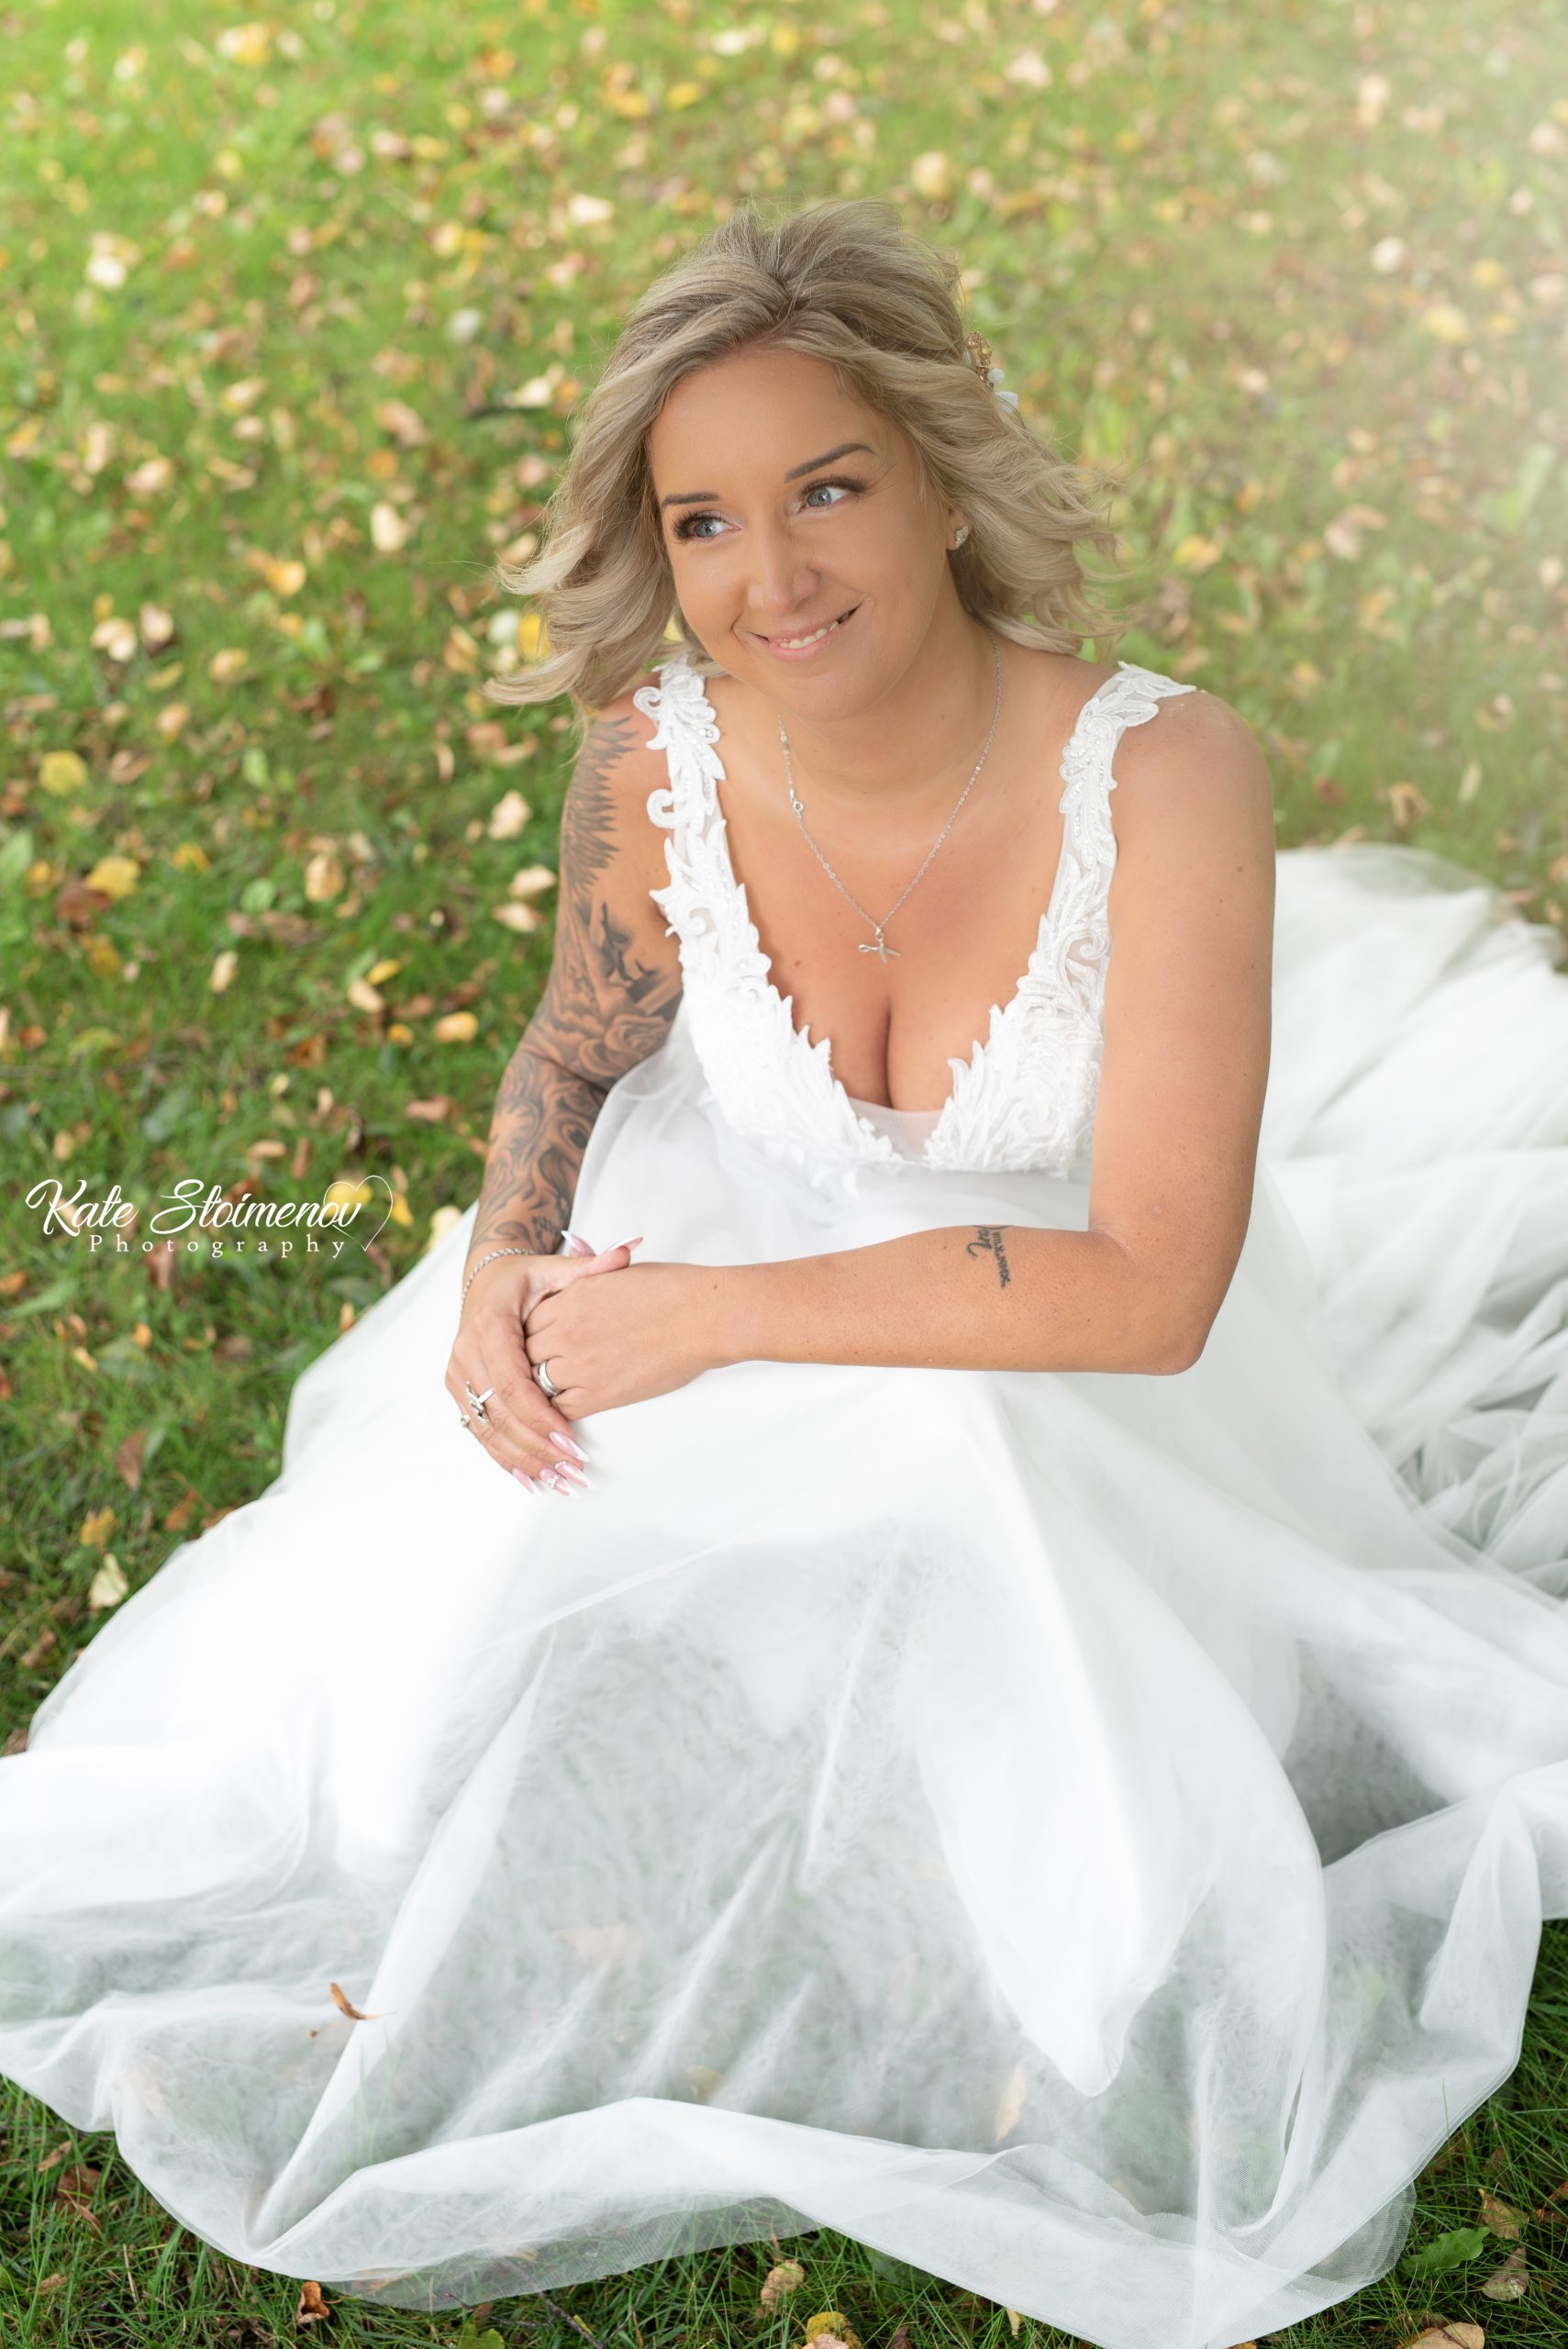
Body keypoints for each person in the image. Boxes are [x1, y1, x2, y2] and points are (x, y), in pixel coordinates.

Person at [3, 198, 1567, 2349]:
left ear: (942, 472)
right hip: (730, 1241)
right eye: (707, 521)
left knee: (984, 1468)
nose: (775, 576)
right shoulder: (656, 759)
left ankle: (1047, 1881)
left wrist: (713, 1319)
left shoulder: (1163, 771)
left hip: (1069, 1348)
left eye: (828, 488)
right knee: (400, 1690)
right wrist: (508, 1257)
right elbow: (578, 1043)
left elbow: (1147, 1290)